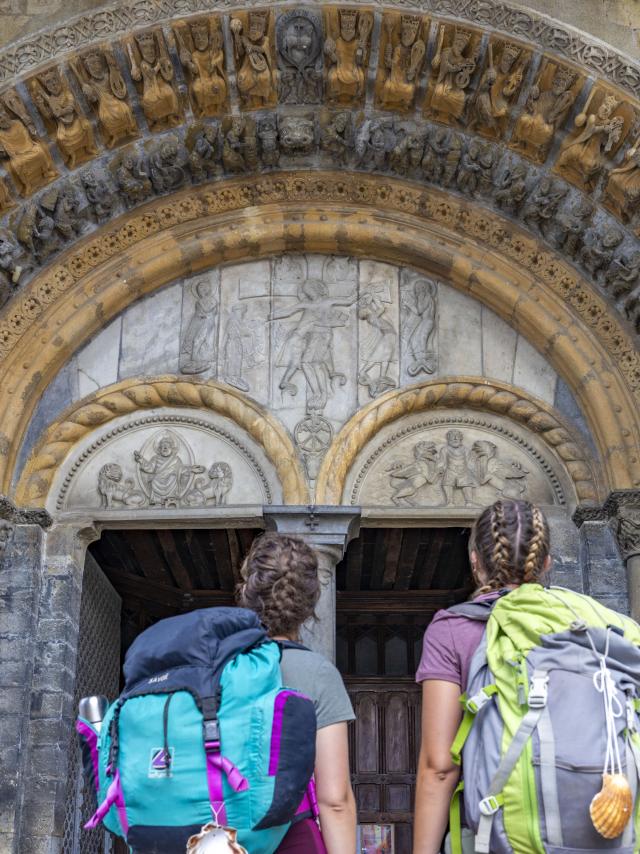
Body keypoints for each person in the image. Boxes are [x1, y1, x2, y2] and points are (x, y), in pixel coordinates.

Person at [413, 499, 552, 854]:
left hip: (498, 832)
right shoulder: (590, 624)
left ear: (475, 563)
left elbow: (440, 767)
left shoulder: (454, 629)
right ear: (546, 564)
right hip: (595, 825)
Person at [237, 533, 357, 854]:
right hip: (290, 839)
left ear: (247, 591)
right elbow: (334, 800)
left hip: (218, 837)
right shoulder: (318, 674)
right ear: (310, 601)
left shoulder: (216, 668)